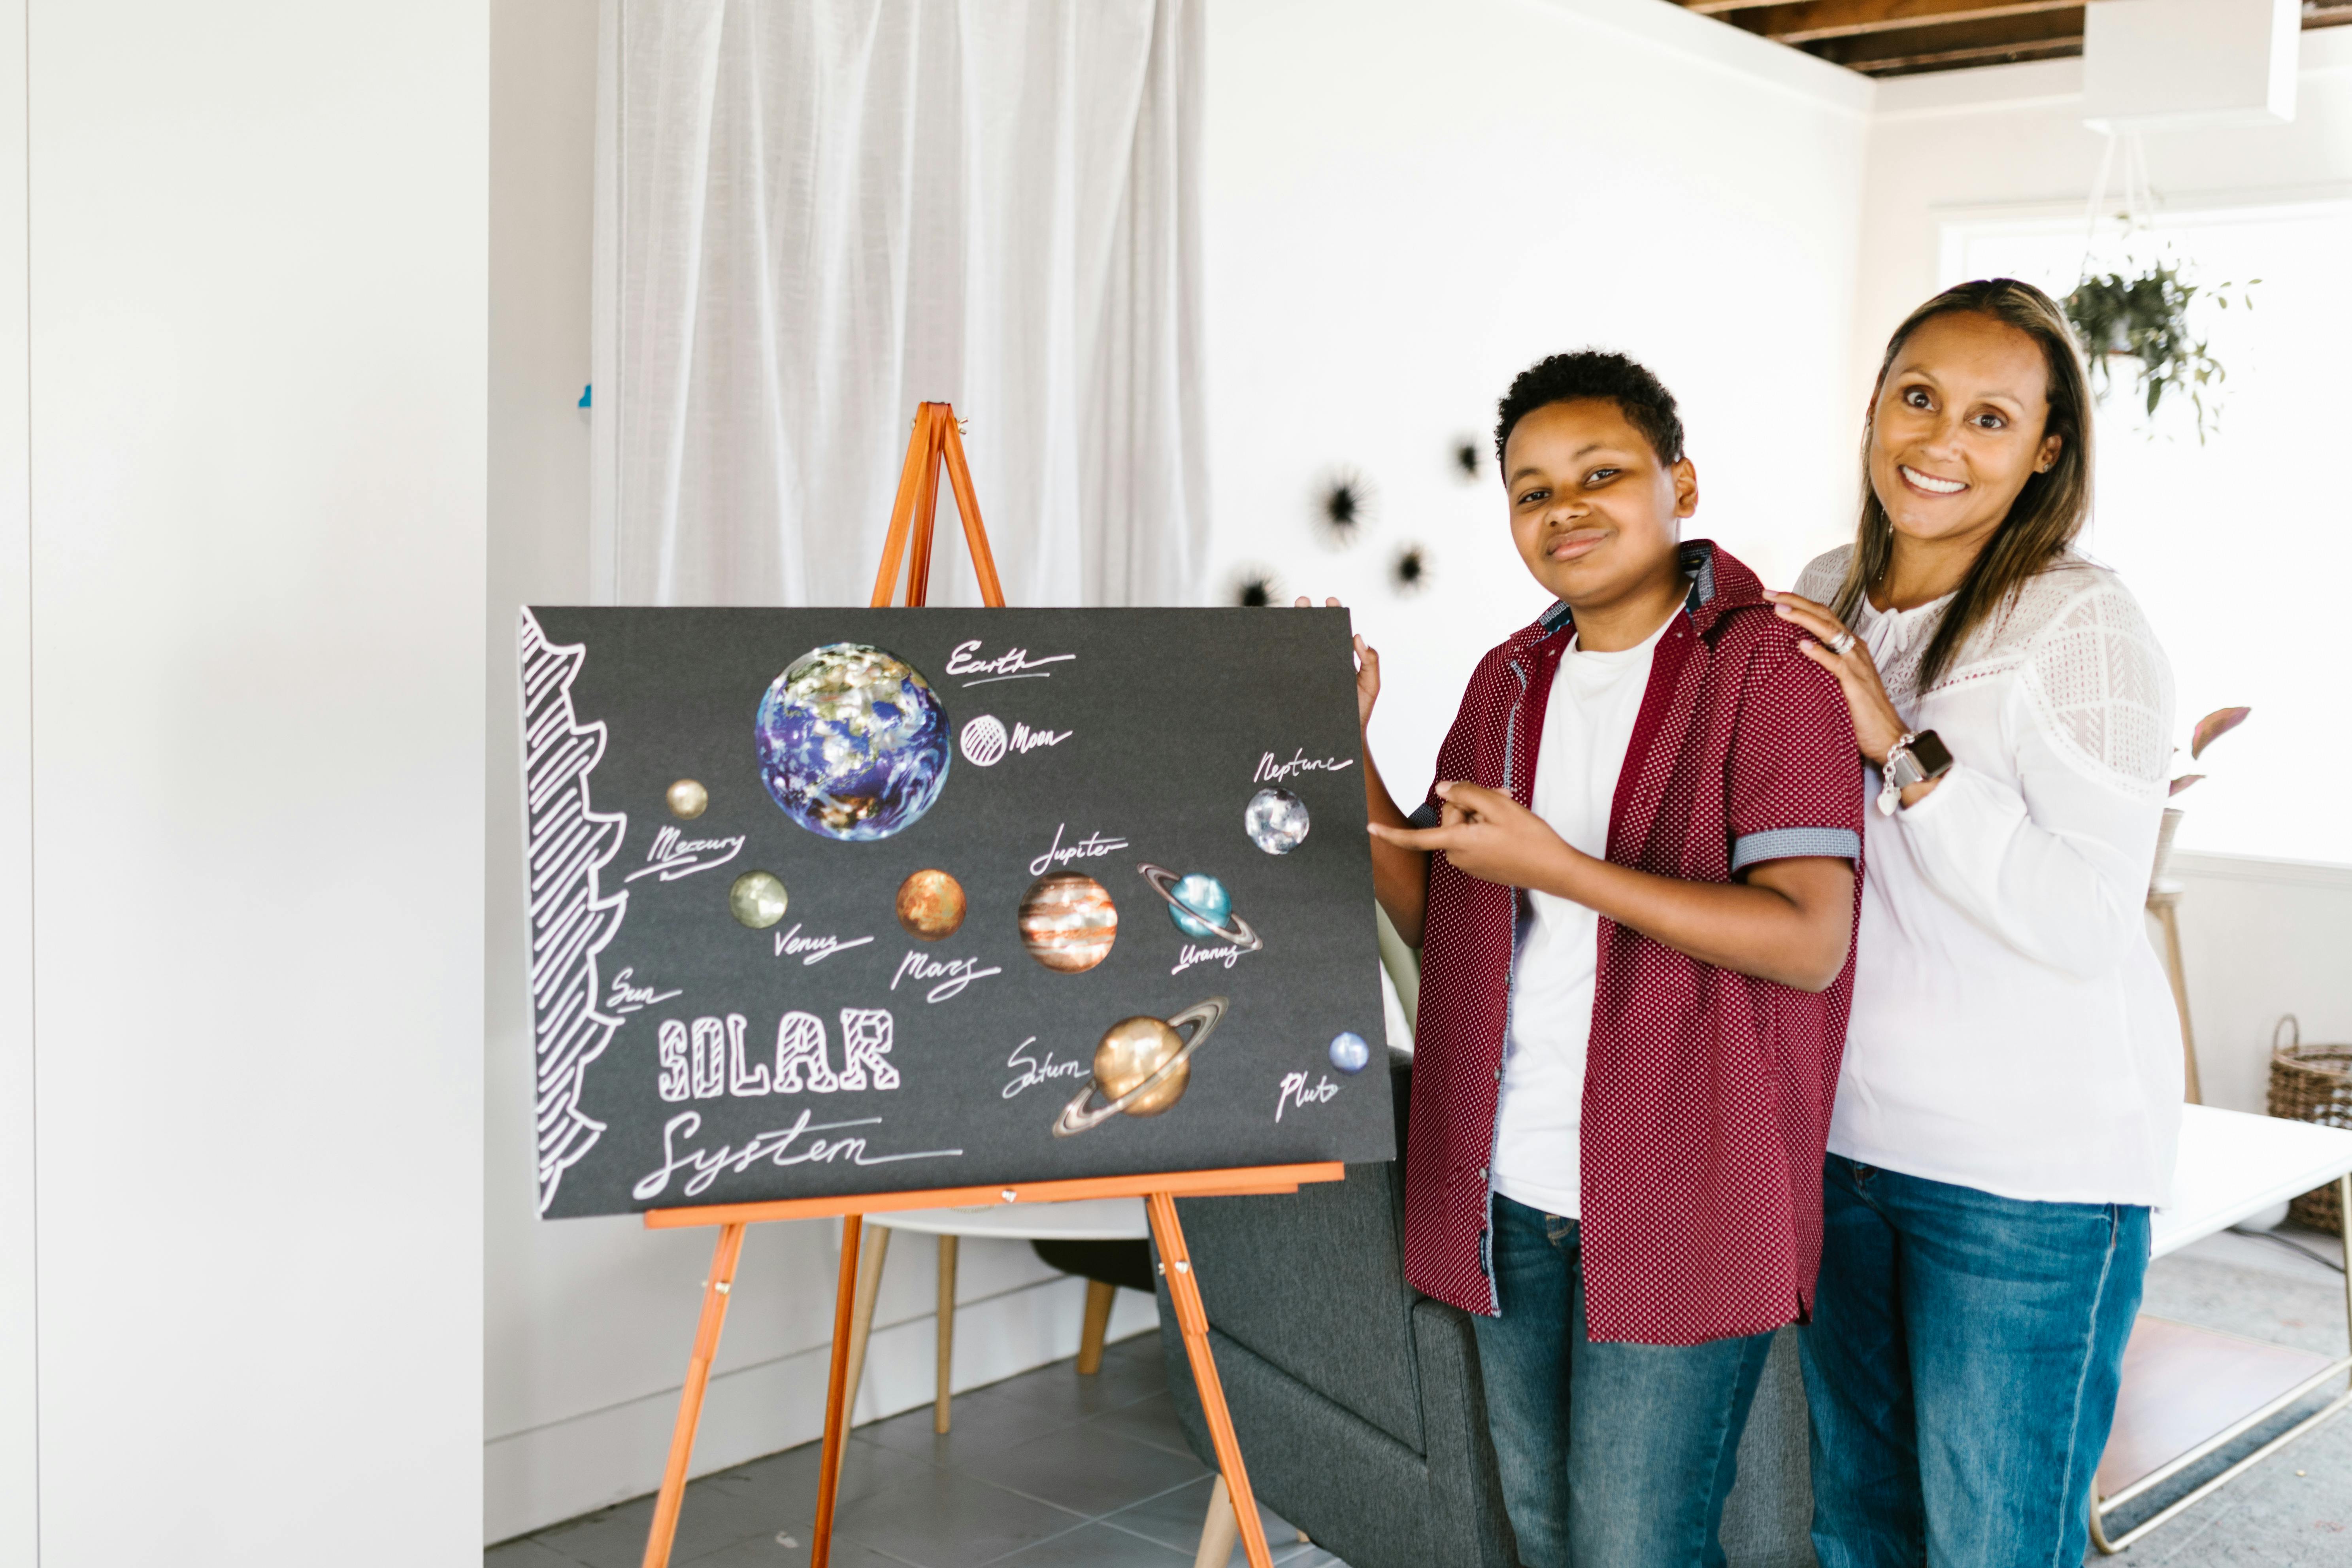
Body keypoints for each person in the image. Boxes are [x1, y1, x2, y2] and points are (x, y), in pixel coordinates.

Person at [1337, 351, 1864, 1566]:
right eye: (1531, 490)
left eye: (1600, 474)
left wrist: (1565, 870)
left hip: (1685, 1193)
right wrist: (1342, 748)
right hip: (1510, 1193)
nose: (1563, 508)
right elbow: (1443, 919)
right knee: (1538, 1535)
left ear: (1679, 481)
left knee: (1635, 1550)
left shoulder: (1767, 670)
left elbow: (1808, 940)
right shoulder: (1508, 680)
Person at [1765, 278, 2179, 1567]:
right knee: (1861, 1530)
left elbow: (2093, 921)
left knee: (1999, 1543)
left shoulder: (2081, 623)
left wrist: (1898, 748)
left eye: (1991, 419)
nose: (1940, 442)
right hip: (1844, 1141)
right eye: (1921, 397)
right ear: (1878, 402)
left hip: (2030, 1181)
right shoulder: (1826, 589)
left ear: (2047, 450)